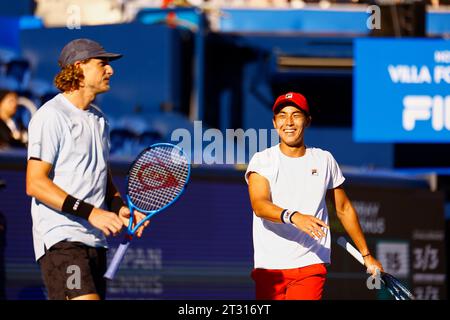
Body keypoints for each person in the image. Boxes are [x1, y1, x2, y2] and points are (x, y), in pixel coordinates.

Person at [26, 38, 149, 300]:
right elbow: (35, 183)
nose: (110, 70)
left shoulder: (100, 119)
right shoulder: (51, 116)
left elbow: (101, 177)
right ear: (79, 67)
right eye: (102, 64)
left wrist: (119, 208)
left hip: (95, 242)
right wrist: (91, 213)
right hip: (62, 239)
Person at [245, 92, 384, 300]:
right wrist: (294, 216)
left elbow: (344, 208)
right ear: (274, 123)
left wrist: (366, 255)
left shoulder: (324, 160)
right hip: (270, 269)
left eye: (296, 115)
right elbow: (260, 205)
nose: (289, 122)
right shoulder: (262, 160)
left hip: (310, 265)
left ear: (307, 121)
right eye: (282, 116)